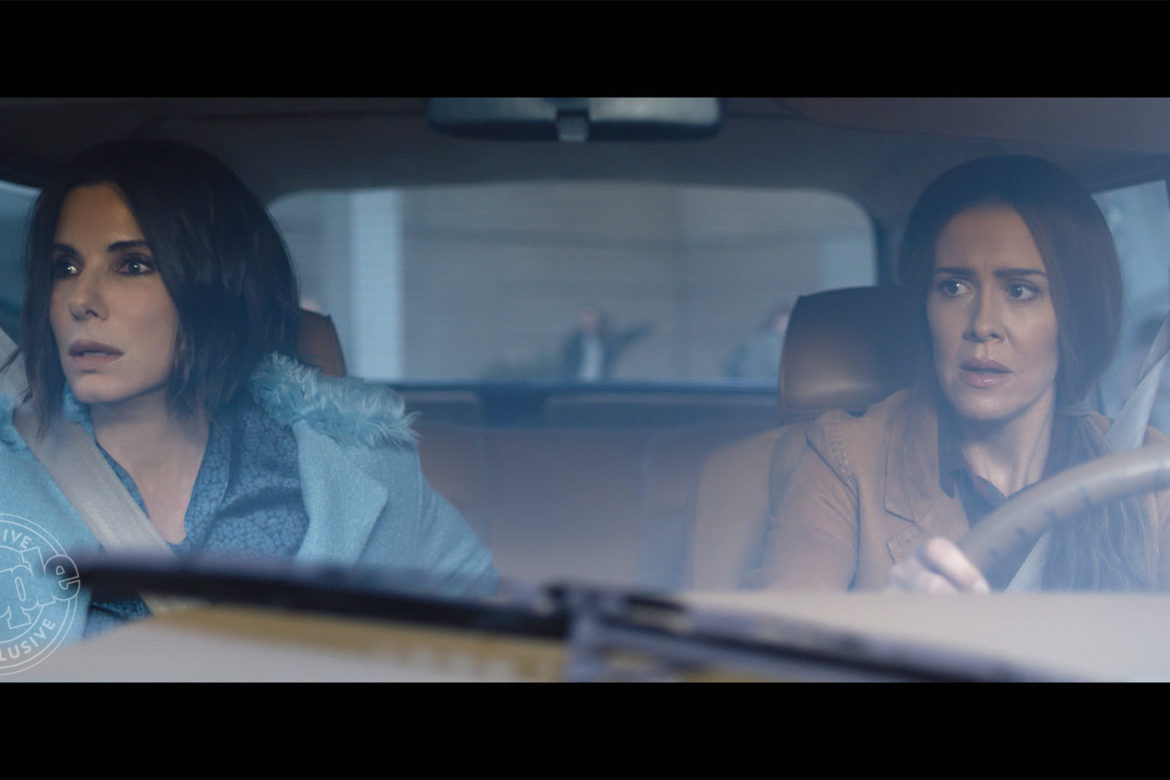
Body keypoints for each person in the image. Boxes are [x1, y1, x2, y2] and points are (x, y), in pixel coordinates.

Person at [0, 139, 497, 640]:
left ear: (213, 287)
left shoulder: (361, 470)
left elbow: (493, 637)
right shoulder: (14, 479)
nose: (81, 299)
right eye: (65, 268)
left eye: (132, 265)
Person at [745, 155, 1170, 593]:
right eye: (953, 287)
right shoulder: (847, 460)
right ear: (924, 307)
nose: (982, 324)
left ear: (1077, 315)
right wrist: (894, 617)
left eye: (1019, 290)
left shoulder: (1147, 474)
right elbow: (782, 628)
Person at [560, 305, 651, 381]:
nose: (589, 324)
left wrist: (643, 329)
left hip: (601, 385)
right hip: (577, 385)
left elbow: (625, 338)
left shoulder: (606, 341)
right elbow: (566, 365)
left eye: (592, 321)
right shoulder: (573, 343)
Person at [724, 305, 789, 380]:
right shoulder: (771, 342)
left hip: (750, 384)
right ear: (776, 321)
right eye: (786, 321)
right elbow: (778, 369)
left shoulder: (755, 339)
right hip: (762, 384)